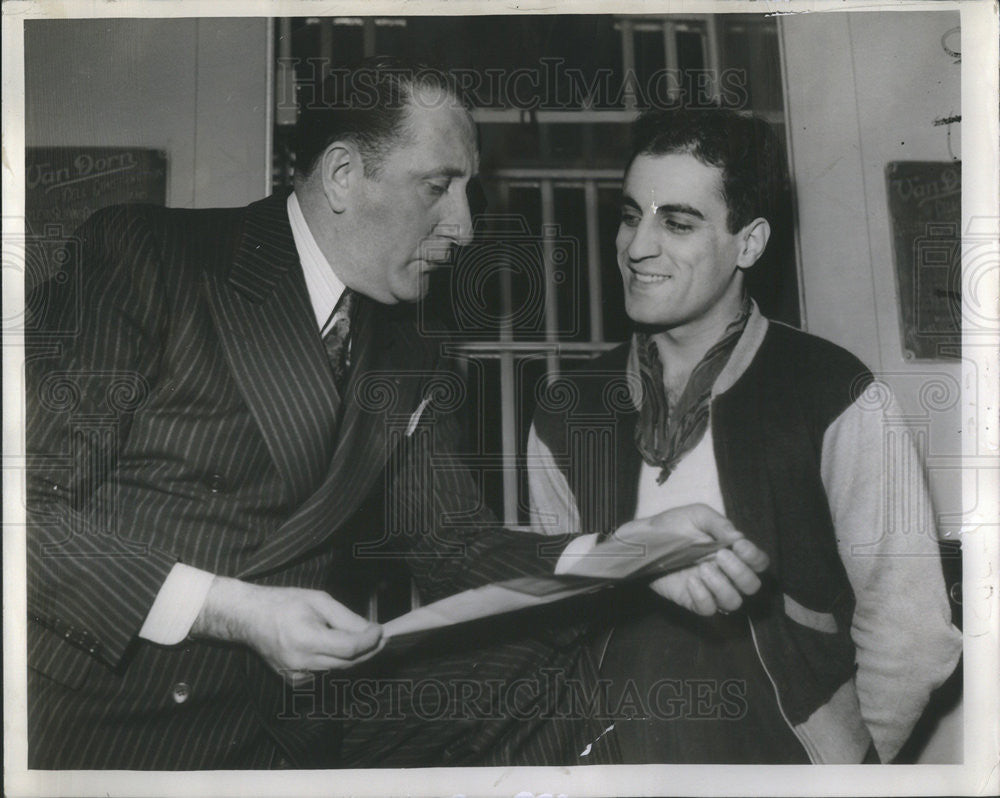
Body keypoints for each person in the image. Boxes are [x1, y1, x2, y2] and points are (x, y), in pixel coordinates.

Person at [25, 59, 769, 769]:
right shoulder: (149, 256)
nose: (466, 227)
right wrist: (233, 608)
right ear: (345, 174)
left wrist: (629, 554)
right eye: (439, 186)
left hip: (285, 718)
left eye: (467, 189)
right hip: (101, 722)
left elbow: (454, 548)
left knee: (558, 654)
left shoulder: (410, 352)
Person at [528, 108, 962, 764]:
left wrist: (842, 765)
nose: (638, 246)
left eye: (676, 222)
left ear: (750, 243)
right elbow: (552, 619)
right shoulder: (566, 412)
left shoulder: (836, 394)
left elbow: (914, 636)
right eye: (628, 214)